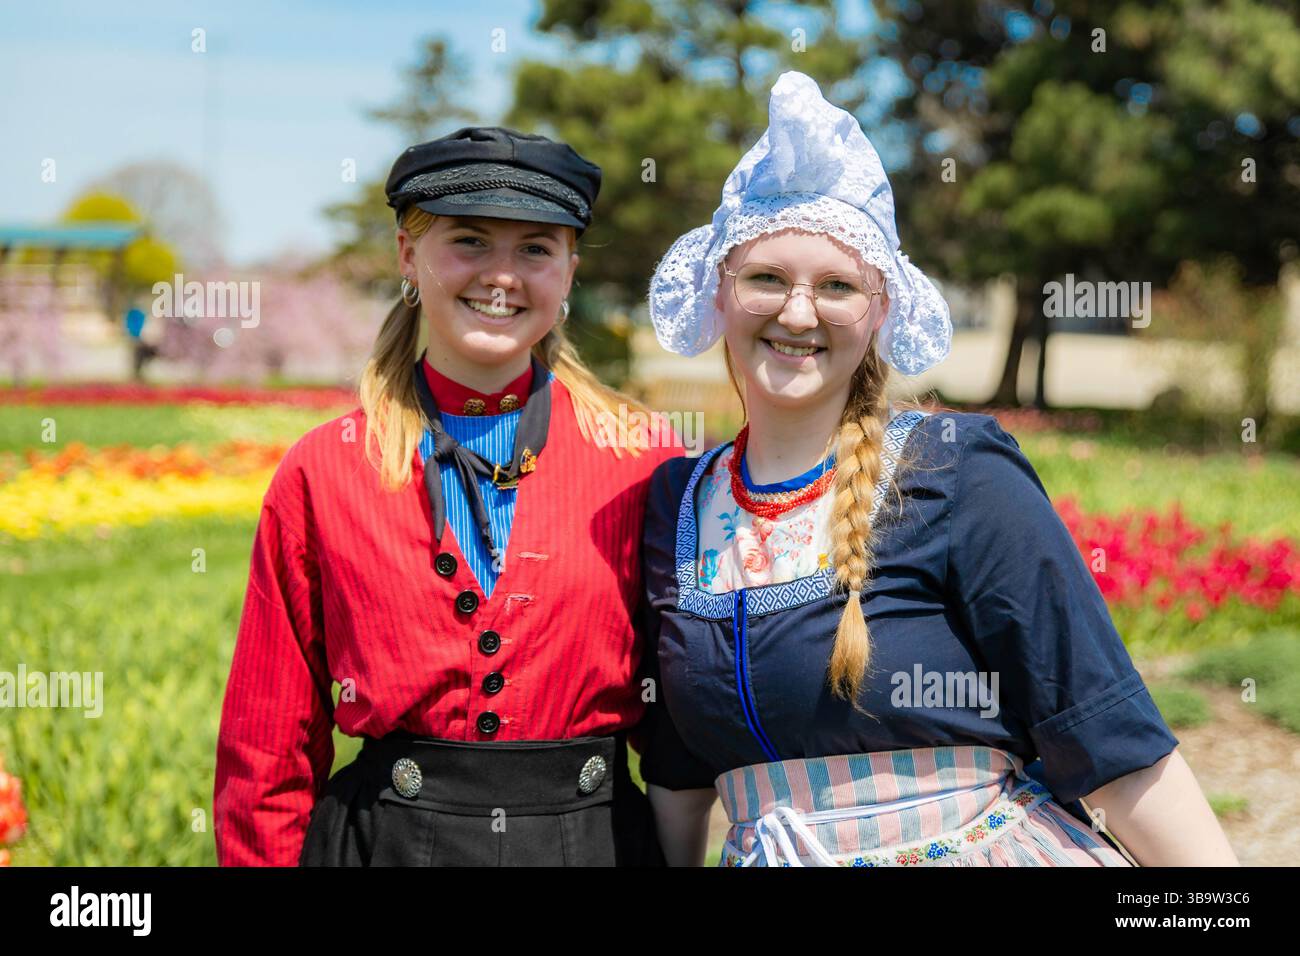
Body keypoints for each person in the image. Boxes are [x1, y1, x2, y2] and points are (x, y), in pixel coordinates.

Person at [636, 72, 1239, 867]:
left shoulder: (954, 471)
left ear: (880, 308)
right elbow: (680, 770)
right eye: (766, 278)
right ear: (720, 290)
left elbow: (1101, 724)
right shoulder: (679, 503)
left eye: (837, 286)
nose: (797, 312)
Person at [214, 126, 682, 866]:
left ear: (568, 271)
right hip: (382, 845)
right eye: (469, 241)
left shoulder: (647, 461)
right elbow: (265, 753)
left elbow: (682, 726)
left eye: (535, 248)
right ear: (408, 254)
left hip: (594, 845)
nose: (503, 275)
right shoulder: (323, 471)